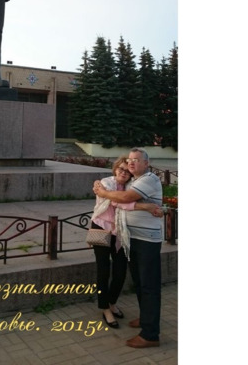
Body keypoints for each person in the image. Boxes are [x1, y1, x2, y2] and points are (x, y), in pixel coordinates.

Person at [93, 147, 164, 349]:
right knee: (140, 283)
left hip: (146, 241)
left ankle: (150, 334)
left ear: (146, 163)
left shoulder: (148, 179)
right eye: (130, 160)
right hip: (130, 238)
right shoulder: (132, 181)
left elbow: (124, 198)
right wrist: (145, 206)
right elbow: (118, 201)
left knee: (148, 285)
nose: (131, 163)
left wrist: (104, 192)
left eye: (136, 160)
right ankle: (146, 319)